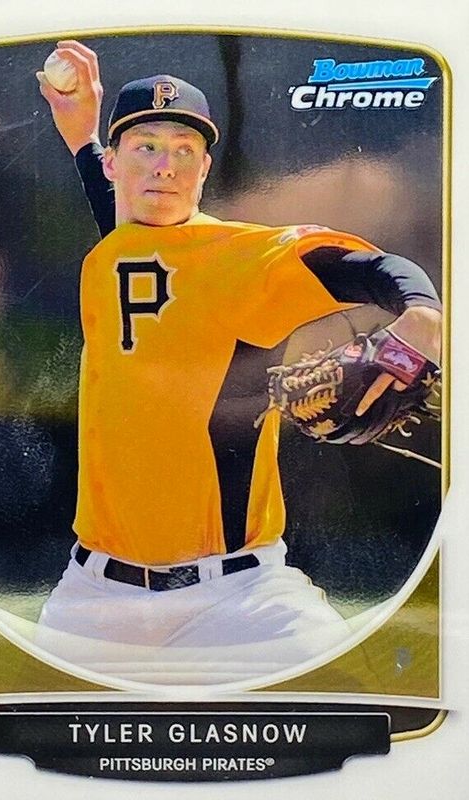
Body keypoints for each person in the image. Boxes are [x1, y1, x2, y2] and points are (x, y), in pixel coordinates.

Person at [34, 42, 442, 682]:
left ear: (203, 170)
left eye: (183, 151)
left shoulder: (241, 258)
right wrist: (79, 134)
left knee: (353, 705)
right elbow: (129, 233)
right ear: (111, 164)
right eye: (146, 147)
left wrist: (422, 316)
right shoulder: (114, 251)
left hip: (240, 598)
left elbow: (374, 270)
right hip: (92, 597)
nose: (165, 167)